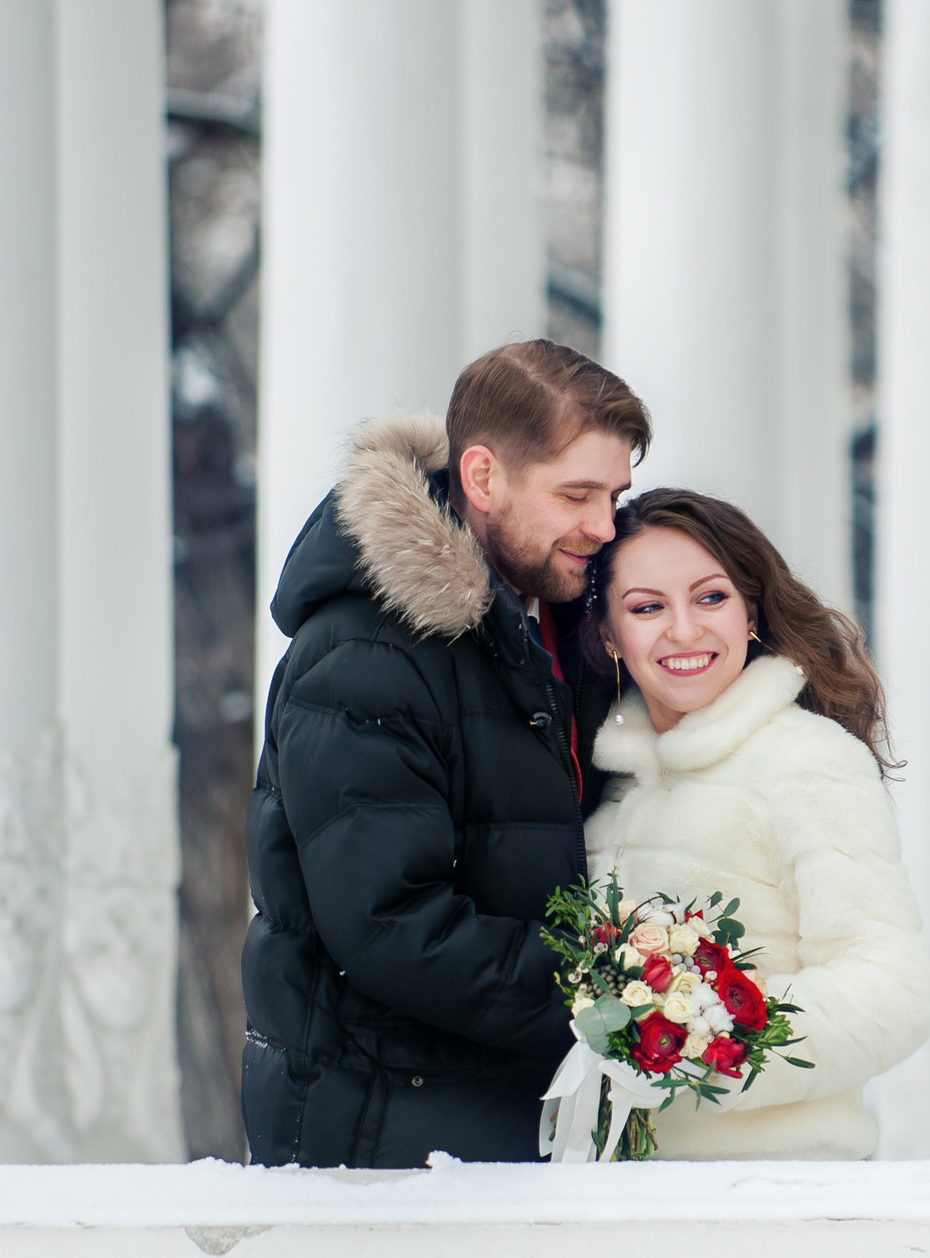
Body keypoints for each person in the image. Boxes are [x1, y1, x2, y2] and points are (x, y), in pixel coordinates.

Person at [242, 340, 650, 1168]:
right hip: (390, 1144)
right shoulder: (366, 652)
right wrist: (616, 997)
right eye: (576, 494)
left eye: (614, 496)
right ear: (483, 477)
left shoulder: (543, 630)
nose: (604, 526)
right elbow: (391, 923)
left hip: (493, 1118)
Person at [575, 487, 930, 1160]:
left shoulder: (807, 760)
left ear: (751, 613)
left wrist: (707, 1036)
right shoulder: (611, 785)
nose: (685, 630)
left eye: (711, 598)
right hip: (627, 1190)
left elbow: (893, 989)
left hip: (774, 1183)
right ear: (608, 635)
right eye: (648, 607)